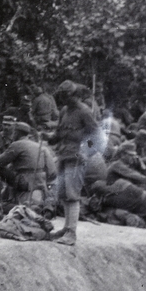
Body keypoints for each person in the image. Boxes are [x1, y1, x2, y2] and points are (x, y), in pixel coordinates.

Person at [50, 81, 102, 246]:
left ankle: (72, 233)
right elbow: (58, 133)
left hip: (76, 158)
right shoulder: (64, 111)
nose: (65, 100)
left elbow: (98, 136)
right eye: (63, 97)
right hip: (64, 155)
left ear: (75, 95)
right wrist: (48, 137)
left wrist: (86, 152)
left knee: (73, 195)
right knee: (64, 193)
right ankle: (66, 228)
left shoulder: (84, 111)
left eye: (68, 96)